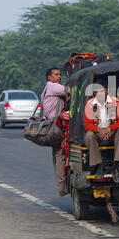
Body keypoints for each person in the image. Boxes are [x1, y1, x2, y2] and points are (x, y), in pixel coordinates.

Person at [84, 79, 119, 184]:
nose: (100, 93)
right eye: (97, 91)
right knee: (89, 135)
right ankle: (99, 165)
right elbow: (87, 124)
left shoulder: (115, 102)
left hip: (111, 131)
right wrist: (99, 130)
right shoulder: (90, 104)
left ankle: (116, 165)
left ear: (107, 90)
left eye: (102, 90)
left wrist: (109, 129)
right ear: (95, 92)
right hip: (97, 132)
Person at [41, 68, 68, 197]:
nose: (59, 77)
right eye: (56, 75)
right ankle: (63, 187)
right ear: (49, 77)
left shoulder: (46, 89)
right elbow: (70, 91)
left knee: (58, 156)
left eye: (60, 75)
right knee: (60, 156)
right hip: (57, 126)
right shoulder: (53, 87)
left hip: (53, 127)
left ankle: (62, 185)